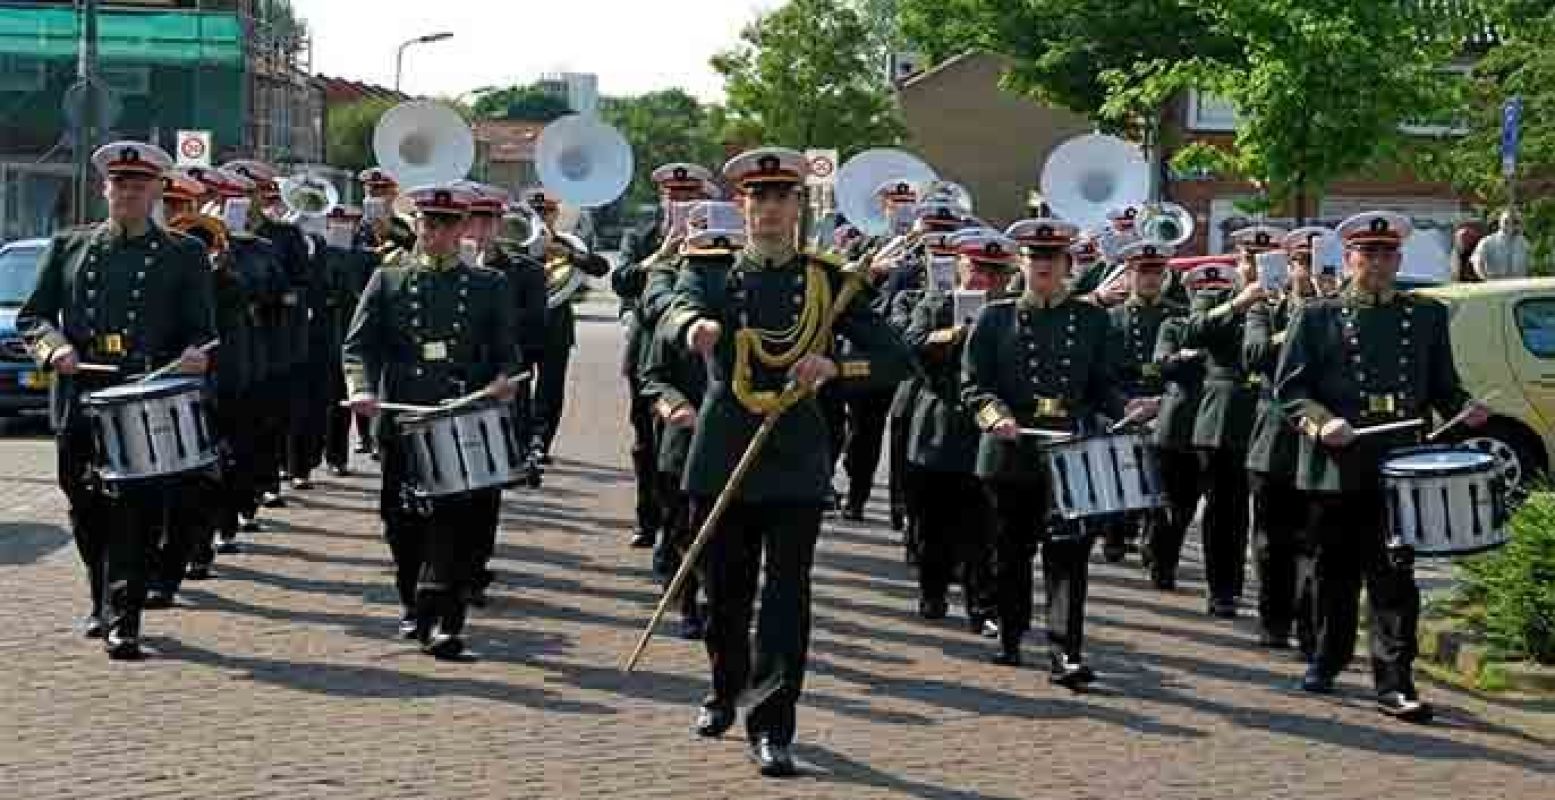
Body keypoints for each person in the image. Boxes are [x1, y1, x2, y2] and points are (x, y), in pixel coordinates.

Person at [660, 147, 909, 777]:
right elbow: (675, 309)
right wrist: (695, 329)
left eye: (781, 198)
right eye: (758, 198)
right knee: (724, 593)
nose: (769, 209)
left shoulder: (828, 280)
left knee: (786, 598)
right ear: (742, 205)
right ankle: (725, 688)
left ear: (798, 206)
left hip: (795, 455)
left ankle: (772, 723)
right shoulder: (712, 273)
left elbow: (893, 356)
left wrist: (834, 367)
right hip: (723, 451)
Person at [1275, 210, 1489, 721]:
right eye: (1367, 254)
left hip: (1401, 465)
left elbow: (1443, 386)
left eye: (1387, 254)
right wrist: (1320, 422)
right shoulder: (1317, 316)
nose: (1378, 263)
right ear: (1348, 258)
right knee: (1335, 574)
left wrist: (1467, 409)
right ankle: (1327, 658)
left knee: (1395, 575)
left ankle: (1395, 681)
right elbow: (1290, 392)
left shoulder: (1425, 315)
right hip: (1338, 463)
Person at [17, 141, 216, 659]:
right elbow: (32, 318)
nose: (127, 194)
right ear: (106, 189)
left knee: (137, 510)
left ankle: (123, 617)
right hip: (80, 394)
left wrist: (196, 356)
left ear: (155, 192)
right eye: (119, 185)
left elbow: (204, 331)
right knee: (85, 508)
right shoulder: (69, 246)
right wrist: (53, 347)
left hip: (143, 398)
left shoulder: (183, 253)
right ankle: (100, 597)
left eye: (139, 186)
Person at [961, 216, 1154, 683]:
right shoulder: (994, 316)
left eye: (1052, 258)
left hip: (1072, 448)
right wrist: (995, 416)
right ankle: (1010, 636)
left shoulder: (1092, 319)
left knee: (1069, 555)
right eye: (1034, 258)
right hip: (1012, 449)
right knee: (1012, 550)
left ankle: (1065, 651)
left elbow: (1103, 383)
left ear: (1068, 264)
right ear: (1021, 264)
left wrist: (1128, 405)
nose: (1043, 266)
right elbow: (973, 386)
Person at [342, 183, 521, 659]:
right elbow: (358, 347)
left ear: (462, 228)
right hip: (405, 419)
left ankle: (447, 618)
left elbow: (509, 352)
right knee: (401, 524)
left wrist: (506, 380)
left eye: (445, 224)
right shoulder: (389, 279)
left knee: (461, 522)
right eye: (428, 223)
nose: (435, 232)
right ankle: (413, 601)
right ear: (417, 224)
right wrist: (360, 388)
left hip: (464, 419)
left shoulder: (489, 285)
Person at [902, 229, 1014, 630]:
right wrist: (952, 335)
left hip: (990, 428)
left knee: (985, 527)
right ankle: (932, 593)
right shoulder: (937, 305)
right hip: (942, 424)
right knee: (934, 523)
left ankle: (982, 605)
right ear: (961, 266)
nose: (986, 278)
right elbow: (910, 345)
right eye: (978, 267)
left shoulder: (1012, 312)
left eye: (996, 272)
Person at [612, 163, 716, 548]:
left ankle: (678, 528)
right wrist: (661, 254)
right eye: (675, 197)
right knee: (646, 442)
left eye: (689, 197)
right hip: (646, 352)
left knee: (681, 442)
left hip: (688, 354)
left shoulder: (718, 234)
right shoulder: (639, 236)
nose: (682, 203)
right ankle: (647, 518)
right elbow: (621, 280)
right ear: (662, 198)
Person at [1183, 224, 1284, 618]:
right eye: (1248, 260)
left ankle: (1274, 601)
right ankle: (1223, 589)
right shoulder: (1215, 299)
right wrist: (1240, 303)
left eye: (1265, 261)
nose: (1255, 269)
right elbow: (1193, 333)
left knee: (1273, 518)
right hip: (1225, 418)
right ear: (1237, 262)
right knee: (1225, 511)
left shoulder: (1288, 303)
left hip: (1273, 416)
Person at [1244, 227, 1325, 652]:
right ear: (1289, 266)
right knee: (1272, 541)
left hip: (1321, 440)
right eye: (1301, 262)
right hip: (1275, 438)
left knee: (1314, 540)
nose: (1308, 271)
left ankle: (1312, 628)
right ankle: (1274, 621)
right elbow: (1254, 356)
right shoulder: (1266, 310)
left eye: (1314, 262)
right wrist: (1300, 320)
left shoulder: (1336, 309)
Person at [1097, 239, 1186, 564]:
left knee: (1167, 469)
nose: (1149, 279)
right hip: (1122, 405)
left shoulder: (1179, 317)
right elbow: (1103, 374)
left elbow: (1186, 371)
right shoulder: (1111, 318)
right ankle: (1116, 528)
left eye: (1156, 272)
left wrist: (1161, 402)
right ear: (1129, 274)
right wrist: (1125, 405)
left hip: (1166, 403)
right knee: (1119, 456)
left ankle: (1155, 535)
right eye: (1142, 272)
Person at [1141, 263, 1217, 590]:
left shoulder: (1230, 331)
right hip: (1178, 426)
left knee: (1188, 506)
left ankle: (1166, 557)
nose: (1206, 300)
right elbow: (1162, 363)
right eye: (1200, 292)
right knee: (1168, 501)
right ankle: (1162, 560)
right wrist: (1185, 356)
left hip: (1213, 428)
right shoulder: (1175, 325)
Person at [524, 186, 612, 462]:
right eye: (535, 211)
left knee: (550, 389)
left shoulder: (570, 243)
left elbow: (600, 267)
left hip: (555, 326)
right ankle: (518, 439)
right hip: (521, 326)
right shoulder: (517, 242)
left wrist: (566, 253)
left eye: (546, 211)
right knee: (517, 387)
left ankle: (540, 442)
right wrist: (533, 252)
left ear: (556, 213)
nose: (541, 216)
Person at [1471, 208, 1532, 281]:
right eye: (1506, 222)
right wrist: (1487, 280)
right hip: (1496, 286)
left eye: (1516, 222)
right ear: (1500, 222)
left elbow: (1530, 265)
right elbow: (1477, 263)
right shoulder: (1487, 242)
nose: (1510, 225)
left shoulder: (1524, 243)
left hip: (1520, 285)